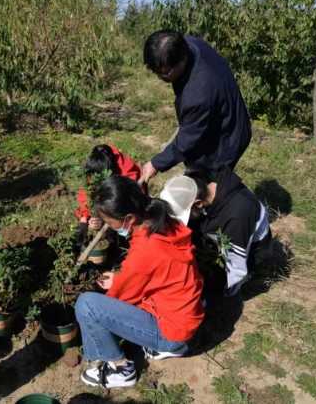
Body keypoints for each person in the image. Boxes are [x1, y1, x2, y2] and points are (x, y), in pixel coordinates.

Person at [75, 176, 204, 389]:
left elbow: (121, 297)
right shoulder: (162, 221)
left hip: (170, 331)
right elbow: (156, 271)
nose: (107, 226)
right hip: (183, 316)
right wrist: (121, 278)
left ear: (129, 219)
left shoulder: (146, 250)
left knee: (87, 305)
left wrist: (95, 319)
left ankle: (119, 369)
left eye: (109, 221)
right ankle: (169, 347)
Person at [139, 30, 251, 182]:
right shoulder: (188, 44)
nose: (160, 78)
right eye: (156, 72)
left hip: (228, 136)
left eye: (164, 74)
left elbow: (187, 141)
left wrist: (155, 164)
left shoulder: (198, 94)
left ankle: (226, 200)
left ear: (181, 60)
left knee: (208, 181)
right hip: (219, 110)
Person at [160, 168, 271, 296]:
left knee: (209, 285)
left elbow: (237, 268)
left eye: (187, 213)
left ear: (198, 203)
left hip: (250, 250)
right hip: (219, 225)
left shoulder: (236, 218)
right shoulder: (201, 183)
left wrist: (224, 295)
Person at [75, 144, 142, 250]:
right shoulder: (94, 167)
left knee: (122, 226)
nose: (92, 180)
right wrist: (85, 218)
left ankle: (122, 242)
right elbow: (86, 192)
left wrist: (105, 219)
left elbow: (122, 201)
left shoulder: (127, 172)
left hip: (128, 201)